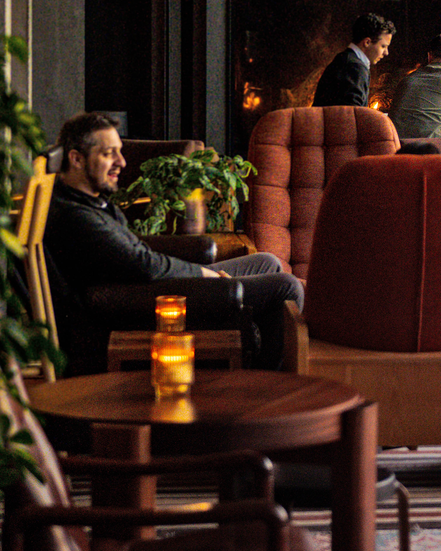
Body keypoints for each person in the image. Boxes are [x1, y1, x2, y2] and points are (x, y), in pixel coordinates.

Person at [44, 112, 304, 372]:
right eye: (108, 153)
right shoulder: (76, 217)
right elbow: (144, 265)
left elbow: (136, 255)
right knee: (286, 287)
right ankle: (269, 381)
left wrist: (200, 273)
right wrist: (204, 275)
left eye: (119, 152)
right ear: (76, 158)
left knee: (266, 262)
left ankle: (255, 359)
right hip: (145, 300)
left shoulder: (86, 198)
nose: (121, 162)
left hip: (152, 285)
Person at [312, 12, 395, 108]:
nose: (386, 53)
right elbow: (352, 116)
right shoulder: (354, 68)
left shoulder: (344, 58)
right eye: (383, 46)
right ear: (367, 42)